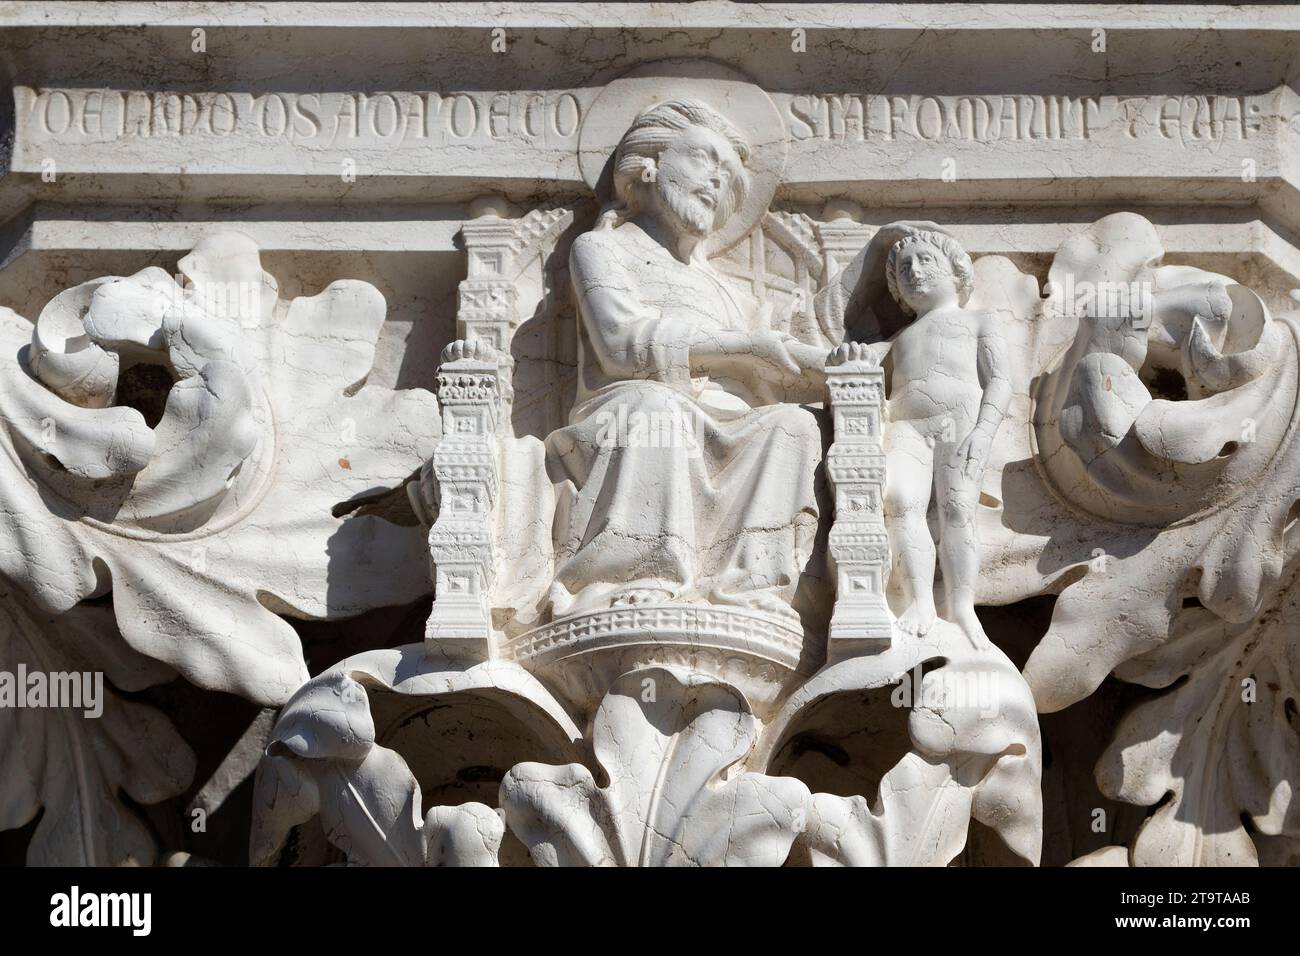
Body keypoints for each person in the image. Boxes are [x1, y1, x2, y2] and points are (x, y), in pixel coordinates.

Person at [545, 98, 828, 622]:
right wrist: (745, 348)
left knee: (791, 425)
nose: (717, 181)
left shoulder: (718, 287)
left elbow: (764, 371)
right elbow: (620, 346)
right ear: (647, 165)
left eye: (729, 177)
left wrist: (837, 368)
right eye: (703, 159)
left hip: (722, 422)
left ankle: (748, 585)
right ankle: (635, 572)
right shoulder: (603, 249)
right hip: (627, 415)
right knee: (658, 409)